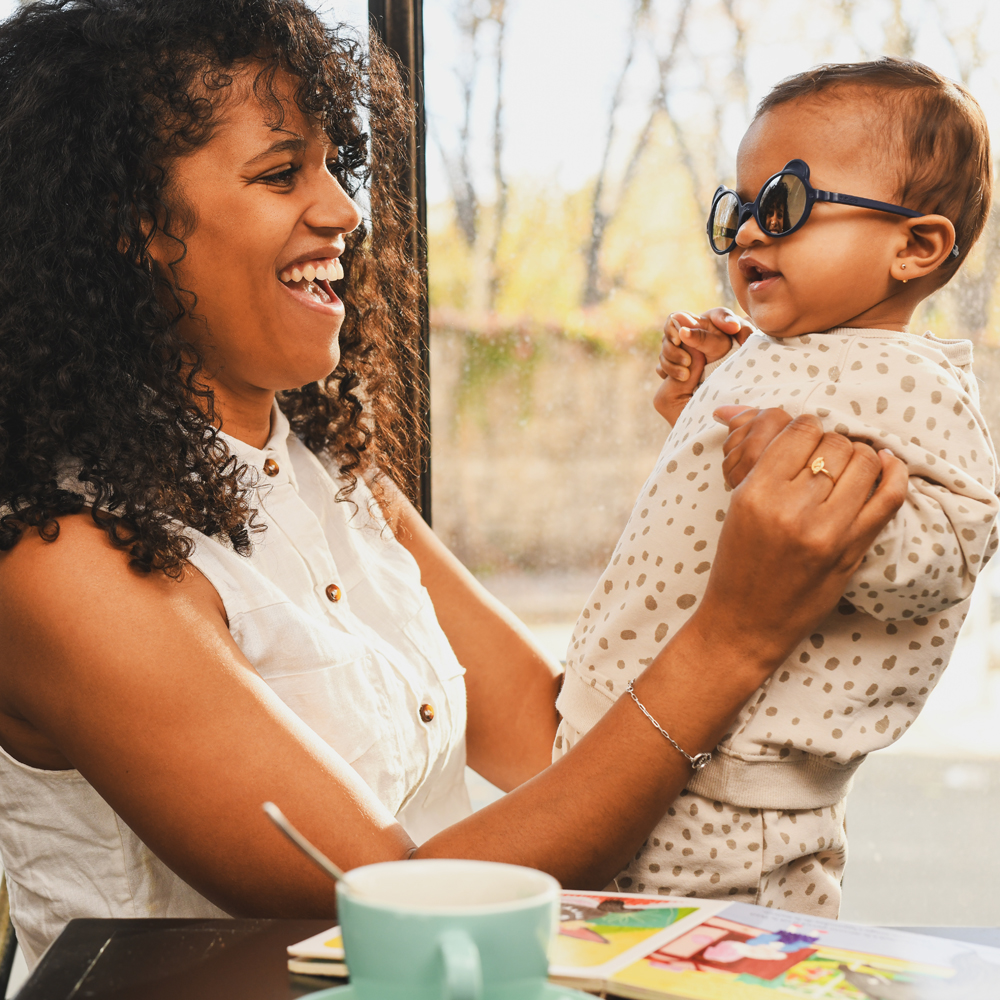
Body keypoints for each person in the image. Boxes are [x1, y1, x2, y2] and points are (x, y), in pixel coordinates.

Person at [0, 0, 906, 968]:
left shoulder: (341, 482)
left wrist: (712, 463)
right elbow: (397, 906)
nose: (345, 211)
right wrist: (735, 636)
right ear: (132, 225)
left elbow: (566, 735)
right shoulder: (61, 561)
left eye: (330, 167)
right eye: (279, 174)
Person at [554, 58, 999, 916]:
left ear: (916, 245)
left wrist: (820, 491)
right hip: (638, 740)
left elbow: (950, 552)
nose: (751, 233)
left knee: (719, 966)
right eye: (742, 209)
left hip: (736, 801)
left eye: (785, 205)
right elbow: (723, 500)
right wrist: (701, 404)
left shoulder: (911, 379)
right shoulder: (779, 353)